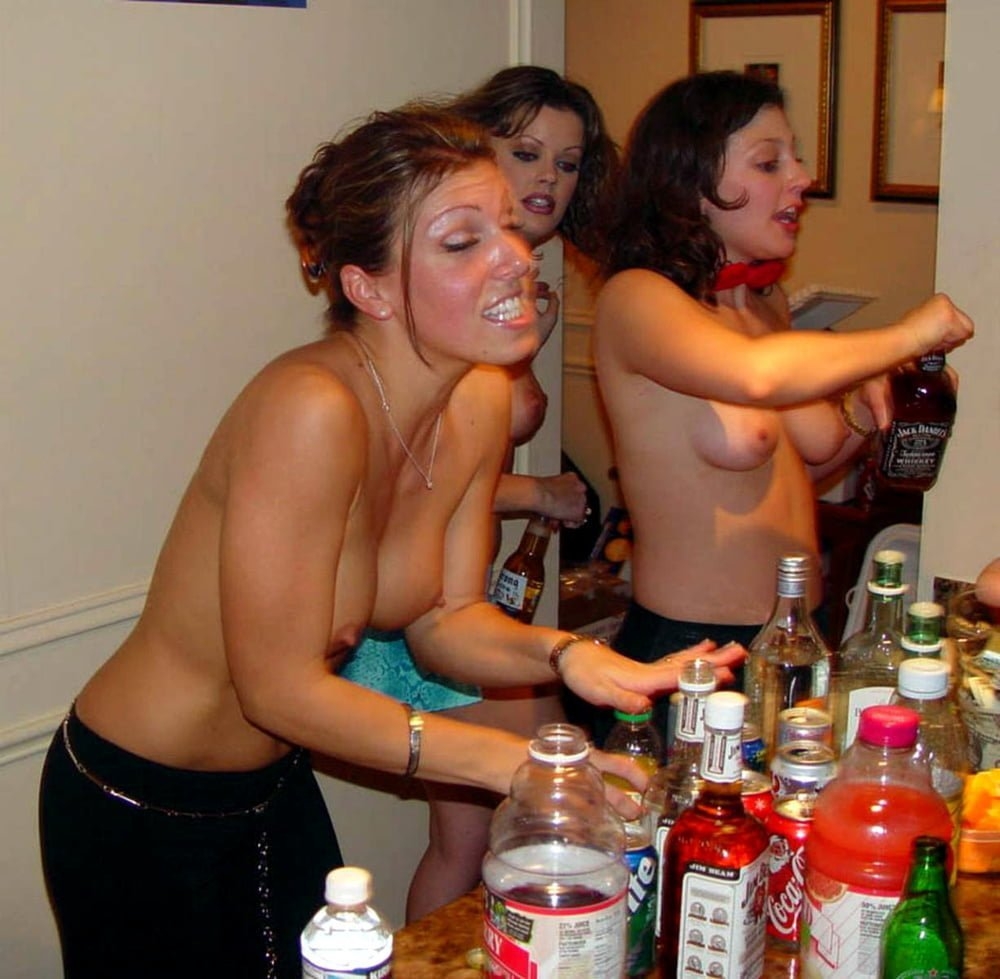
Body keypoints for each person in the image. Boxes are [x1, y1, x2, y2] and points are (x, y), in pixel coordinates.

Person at [38, 103, 745, 979]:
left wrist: (569, 657)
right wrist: (521, 762)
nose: (516, 257)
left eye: (509, 227)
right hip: (138, 799)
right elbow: (277, 687)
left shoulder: (480, 399)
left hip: (270, 791)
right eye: (462, 241)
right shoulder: (309, 409)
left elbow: (445, 618)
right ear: (367, 289)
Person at [584, 70, 974, 746]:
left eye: (794, 159)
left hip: (798, 637)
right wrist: (909, 333)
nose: (802, 179)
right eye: (769, 163)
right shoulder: (637, 298)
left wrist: (867, 405)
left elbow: (806, 457)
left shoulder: (763, 304)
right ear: (691, 182)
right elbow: (756, 377)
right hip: (696, 650)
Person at [360, 66, 622, 924]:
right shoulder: (448, 301)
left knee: (487, 831)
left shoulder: (524, 295)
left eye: (569, 163)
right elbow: (408, 477)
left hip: (466, 591)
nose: (549, 177)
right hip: (419, 607)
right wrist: (536, 491)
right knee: (478, 836)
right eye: (526, 152)